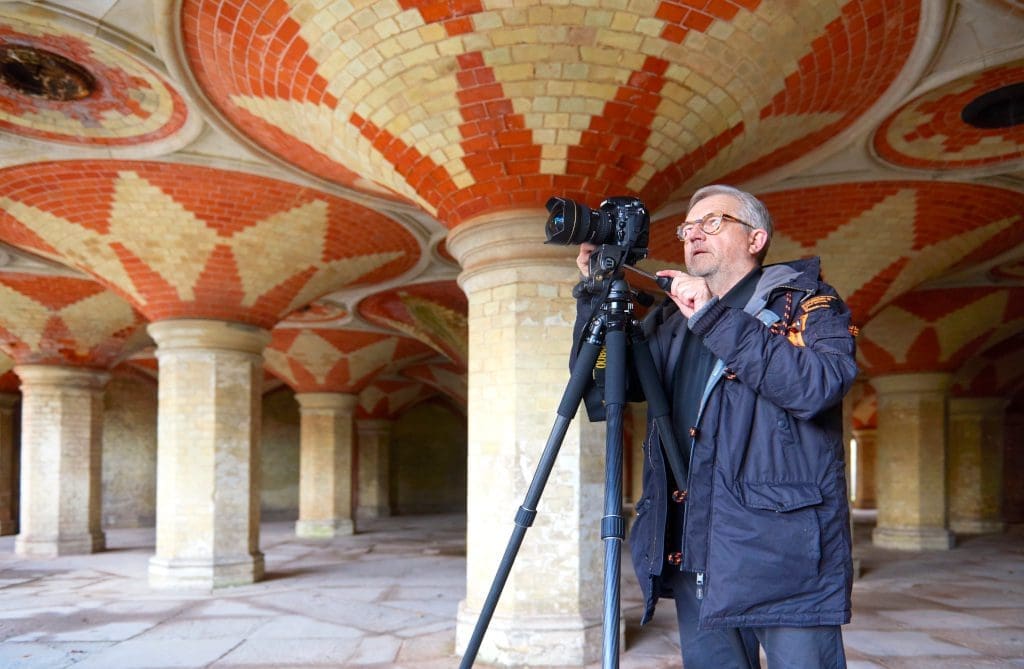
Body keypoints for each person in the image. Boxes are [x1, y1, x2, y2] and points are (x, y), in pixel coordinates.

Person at [573, 184, 857, 668]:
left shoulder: (808, 302)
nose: (692, 235)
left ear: (755, 238)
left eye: (712, 222)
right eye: (686, 228)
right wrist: (595, 297)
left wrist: (712, 315)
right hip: (695, 542)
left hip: (780, 552)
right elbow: (607, 388)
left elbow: (820, 386)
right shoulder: (670, 320)